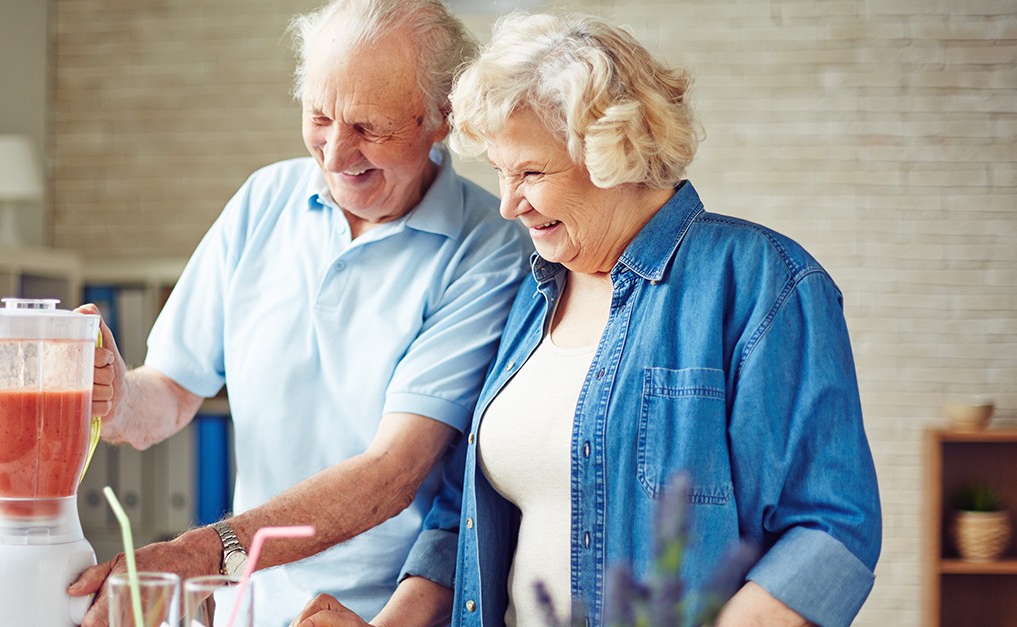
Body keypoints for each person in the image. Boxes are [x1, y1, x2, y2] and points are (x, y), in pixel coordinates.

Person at [293, 11, 882, 627]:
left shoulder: (762, 284)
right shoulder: (531, 294)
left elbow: (830, 529)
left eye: (531, 173)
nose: (507, 203)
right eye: (500, 171)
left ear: (617, 154)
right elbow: (460, 515)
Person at [66, 1, 531, 625]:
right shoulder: (264, 200)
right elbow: (171, 392)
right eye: (319, 115)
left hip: (375, 612)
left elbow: (393, 470)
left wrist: (198, 553)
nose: (337, 153)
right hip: (245, 602)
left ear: (440, 119)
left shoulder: (490, 246)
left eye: (370, 127)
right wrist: (117, 395)